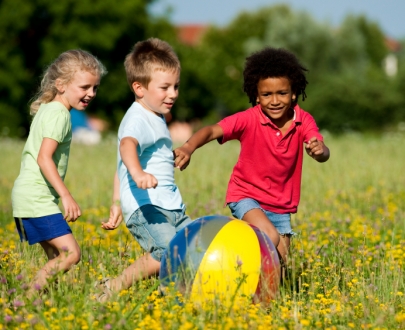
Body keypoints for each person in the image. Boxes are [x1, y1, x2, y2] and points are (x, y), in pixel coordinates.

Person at [173, 47, 330, 265]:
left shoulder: (303, 121)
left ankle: (266, 297)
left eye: (282, 93)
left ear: (293, 93)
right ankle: (230, 250)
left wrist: (320, 151)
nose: (274, 101)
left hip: (281, 204)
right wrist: (188, 147)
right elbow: (211, 130)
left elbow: (321, 149)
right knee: (269, 237)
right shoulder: (248, 119)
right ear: (257, 96)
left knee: (280, 263)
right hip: (246, 195)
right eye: (267, 94)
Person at [98, 38, 192, 301]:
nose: (173, 93)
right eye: (165, 87)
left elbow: (121, 165)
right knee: (168, 252)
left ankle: (174, 297)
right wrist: (139, 174)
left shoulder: (156, 116)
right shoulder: (138, 118)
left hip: (170, 206)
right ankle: (114, 286)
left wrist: (116, 201)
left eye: (176, 86)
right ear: (139, 88)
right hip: (147, 207)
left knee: (194, 245)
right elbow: (127, 147)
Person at [11, 50, 106, 298]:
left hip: (29, 195)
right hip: (37, 197)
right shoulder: (60, 114)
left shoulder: (49, 109)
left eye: (95, 88)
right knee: (71, 254)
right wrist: (66, 195)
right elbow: (44, 158)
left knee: (55, 258)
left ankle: (47, 305)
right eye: (84, 86)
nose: (91, 94)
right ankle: (25, 301)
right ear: (61, 85)